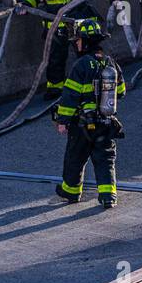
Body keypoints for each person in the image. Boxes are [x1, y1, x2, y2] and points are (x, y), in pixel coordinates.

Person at [18, 0, 114, 101]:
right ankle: (56, 90)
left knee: (87, 58)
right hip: (56, 28)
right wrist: (25, 6)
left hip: (79, 27)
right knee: (55, 59)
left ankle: (94, 86)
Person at [54, 17, 126, 209]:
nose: (76, 44)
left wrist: (62, 121)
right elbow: (121, 92)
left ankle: (70, 191)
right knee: (105, 159)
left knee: (75, 158)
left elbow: (70, 97)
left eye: (77, 40)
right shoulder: (110, 63)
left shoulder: (81, 65)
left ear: (85, 41)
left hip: (82, 125)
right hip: (106, 121)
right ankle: (108, 195)